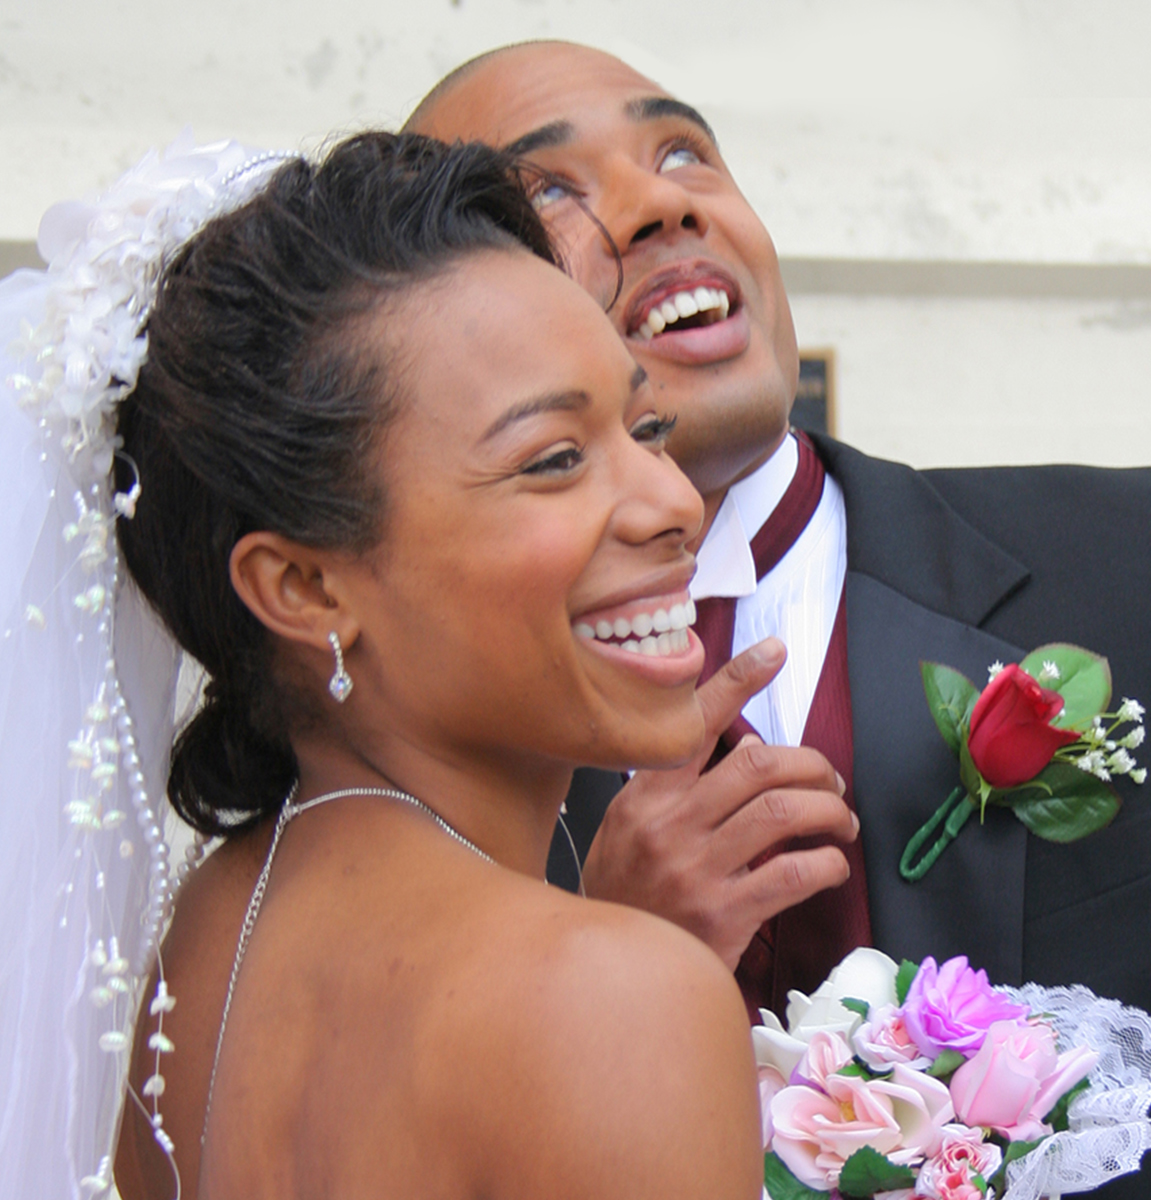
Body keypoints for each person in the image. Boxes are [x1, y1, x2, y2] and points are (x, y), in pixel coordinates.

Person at [406, 42, 1151, 1198]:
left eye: (685, 152)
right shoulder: (430, 767)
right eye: (549, 188)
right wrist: (600, 969)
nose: (660, 201)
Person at [0, 132, 763, 1199]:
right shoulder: (611, 996)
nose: (675, 503)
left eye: (643, 426)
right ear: (305, 590)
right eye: (553, 460)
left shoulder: (189, 956)